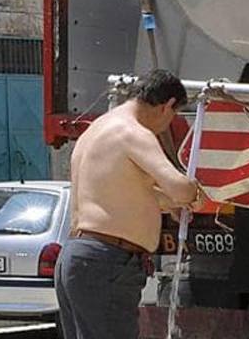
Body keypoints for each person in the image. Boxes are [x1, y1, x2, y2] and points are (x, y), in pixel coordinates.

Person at [56, 70, 206, 339]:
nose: (168, 123)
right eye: (174, 114)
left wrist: (163, 201)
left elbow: (114, 191)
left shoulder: (97, 129)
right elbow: (181, 188)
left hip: (79, 256)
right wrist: (196, 190)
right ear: (167, 106)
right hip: (107, 261)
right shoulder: (134, 133)